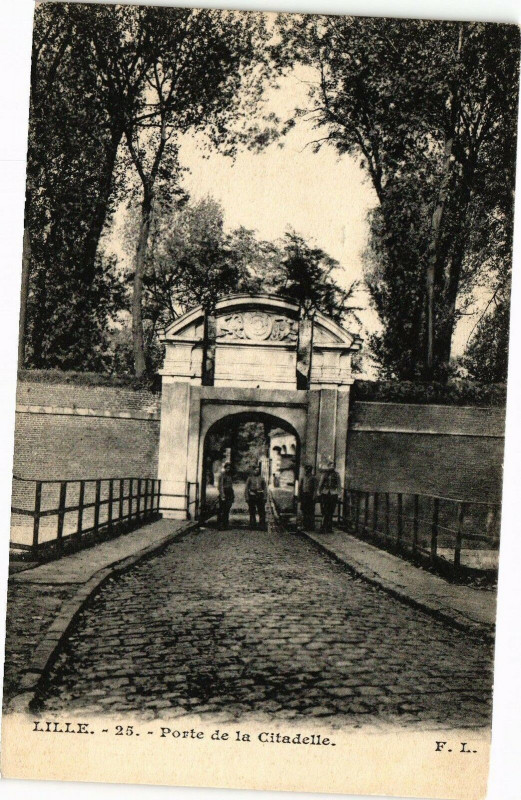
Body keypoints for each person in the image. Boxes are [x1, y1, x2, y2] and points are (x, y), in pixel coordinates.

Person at [318, 458, 341, 533]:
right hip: (325, 493)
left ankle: (329, 528)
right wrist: (319, 491)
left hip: (333, 494)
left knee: (331, 511)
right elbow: (321, 483)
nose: (332, 467)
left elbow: (339, 485)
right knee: (324, 511)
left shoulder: (336, 474)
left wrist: (339, 494)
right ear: (328, 466)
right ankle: (322, 527)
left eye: (333, 466)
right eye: (330, 465)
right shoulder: (324, 474)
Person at [299, 464, 317, 531]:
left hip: (310, 496)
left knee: (310, 512)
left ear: (310, 471)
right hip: (304, 496)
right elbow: (300, 487)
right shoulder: (303, 478)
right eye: (306, 469)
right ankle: (305, 525)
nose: (306, 471)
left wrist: (314, 497)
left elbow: (315, 489)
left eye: (308, 470)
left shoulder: (313, 478)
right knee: (304, 511)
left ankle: (311, 526)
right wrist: (300, 496)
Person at [217, 462, 234, 529]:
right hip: (224, 493)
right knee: (222, 510)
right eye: (227, 468)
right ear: (225, 468)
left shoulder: (229, 476)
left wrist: (232, 496)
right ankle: (220, 525)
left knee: (227, 510)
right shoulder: (222, 475)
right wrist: (222, 495)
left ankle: (225, 525)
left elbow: (231, 486)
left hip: (229, 494)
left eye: (229, 468)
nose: (228, 469)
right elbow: (220, 486)